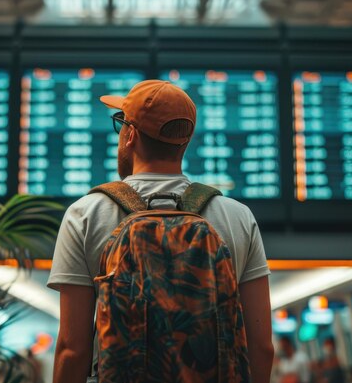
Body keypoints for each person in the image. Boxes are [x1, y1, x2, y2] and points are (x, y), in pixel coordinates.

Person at [48, 80, 274, 382]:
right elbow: (261, 347)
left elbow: (71, 350)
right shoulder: (238, 217)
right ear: (185, 141)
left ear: (131, 135)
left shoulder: (85, 214)